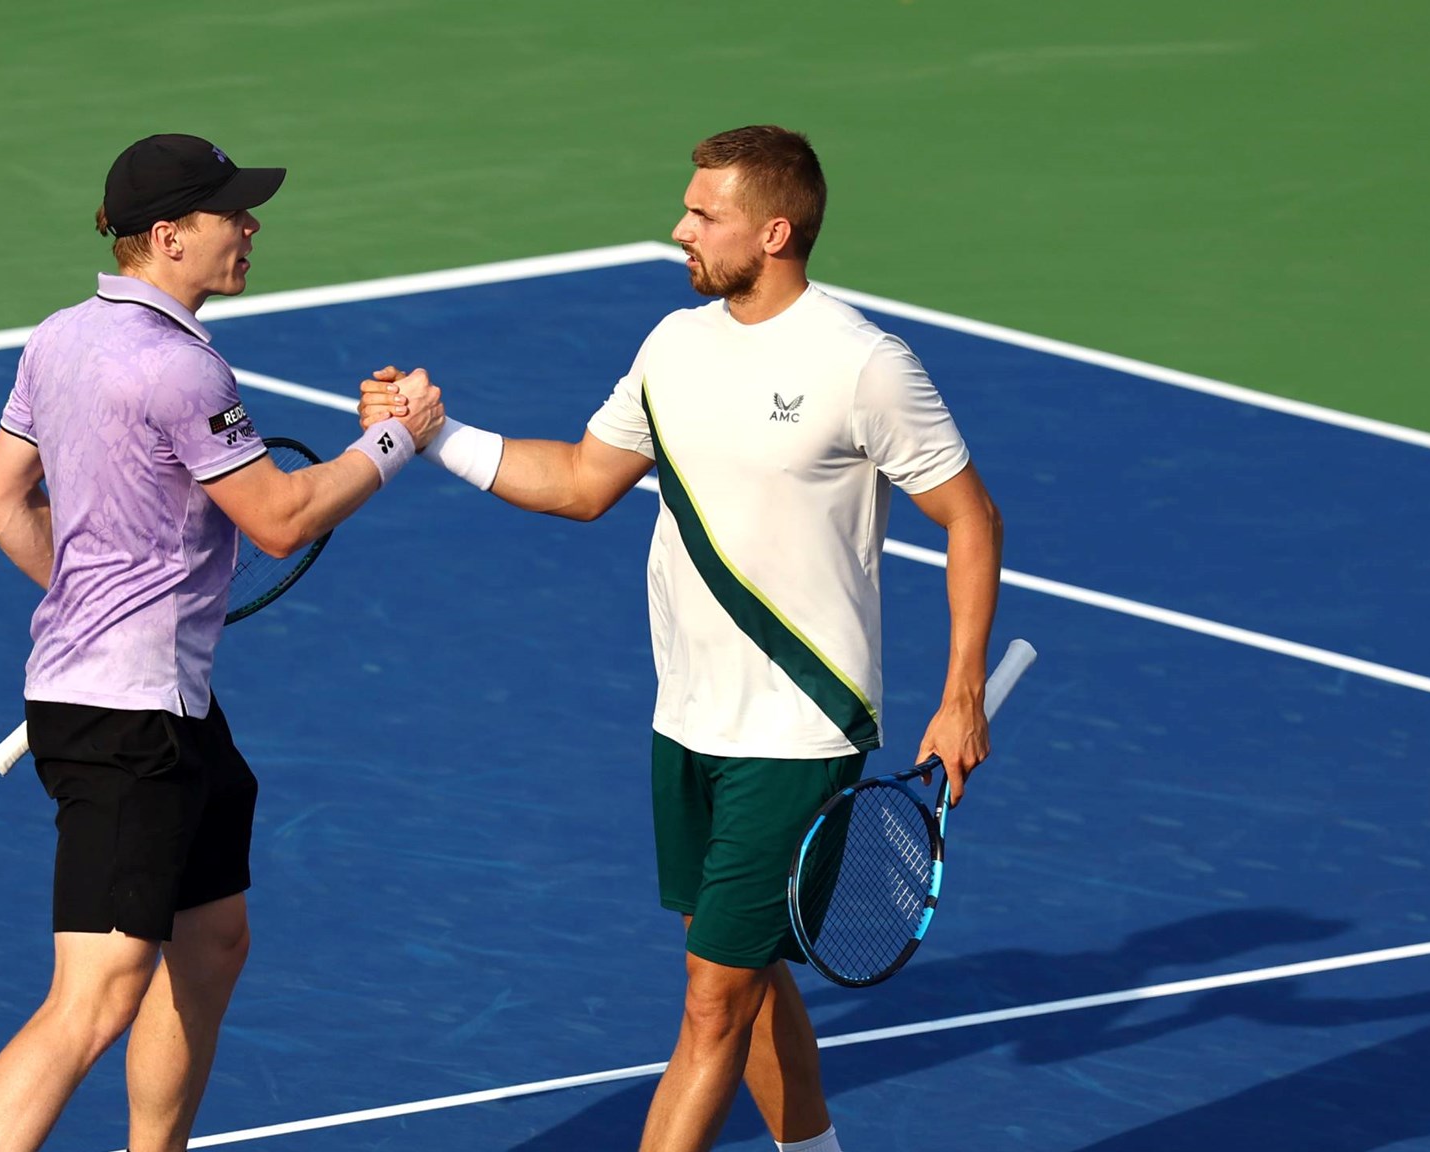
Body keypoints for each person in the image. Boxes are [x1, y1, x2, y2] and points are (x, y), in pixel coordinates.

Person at [359, 125, 1002, 1152]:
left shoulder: (862, 366)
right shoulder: (671, 344)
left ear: (776, 229)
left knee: (710, 1009)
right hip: (688, 719)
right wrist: (434, 438)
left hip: (797, 732)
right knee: (742, 972)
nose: (679, 228)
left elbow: (968, 517)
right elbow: (579, 481)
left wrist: (959, 690)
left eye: (705, 215)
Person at [0, 133, 442, 1152]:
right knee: (91, 1001)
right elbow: (276, 517)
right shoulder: (181, 368)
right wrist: (396, 441)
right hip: (125, 725)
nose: (250, 226)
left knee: (211, 941)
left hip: (156, 710)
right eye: (231, 213)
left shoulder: (59, 336)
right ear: (169, 236)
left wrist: (101, 597)